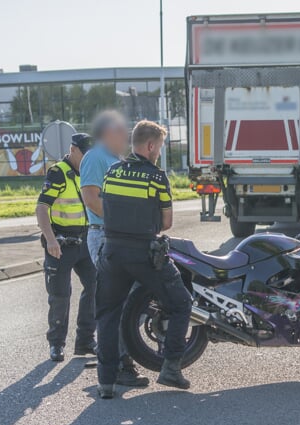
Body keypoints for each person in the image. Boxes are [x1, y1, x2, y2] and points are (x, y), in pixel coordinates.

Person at [94, 120, 193, 399]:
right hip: (144, 254)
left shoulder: (112, 172)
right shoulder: (156, 177)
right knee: (181, 303)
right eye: (159, 147)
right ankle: (171, 368)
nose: (159, 152)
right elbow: (167, 222)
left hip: (110, 252)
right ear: (150, 146)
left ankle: (106, 383)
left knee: (108, 315)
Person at [80, 110, 149, 387]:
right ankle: (120, 363)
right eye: (122, 131)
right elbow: (91, 198)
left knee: (127, 299)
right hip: (105, 235)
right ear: (108, 133)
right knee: (121, 300)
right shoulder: (96, 157)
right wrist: (122, 223)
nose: (127, 136)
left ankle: (114, 355)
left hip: (117, 235)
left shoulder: (115, 159)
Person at [35, 133, 97, 362]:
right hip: (60, 244)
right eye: (84, 153)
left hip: (86, 241)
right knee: (60, 295)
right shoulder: (58, 172)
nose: (88, 158)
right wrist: (50, 239)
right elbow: (42, 207)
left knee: (96, 287)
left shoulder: (90, 171)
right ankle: (56, 344)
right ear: (73, 150)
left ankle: (85, 341)